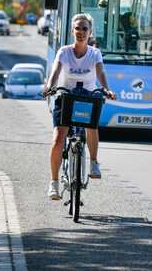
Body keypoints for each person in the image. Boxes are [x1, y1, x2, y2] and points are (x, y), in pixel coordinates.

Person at [42, 13, 117, 200]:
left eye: (85, 29)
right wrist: (50, 86)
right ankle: (54, 183)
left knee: (91, 126)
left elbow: (100, 72)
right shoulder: (64, 51)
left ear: (90, 32)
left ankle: (93, 162)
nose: (81, 32)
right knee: (58, 140)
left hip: (87, 98)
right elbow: (56, 70)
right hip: (66, 97)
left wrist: (107, 90)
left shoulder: (94, 53)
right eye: (78, 28)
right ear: (72, 31)